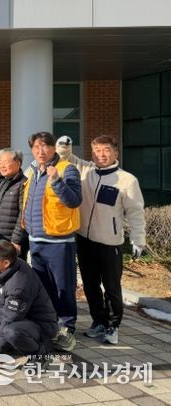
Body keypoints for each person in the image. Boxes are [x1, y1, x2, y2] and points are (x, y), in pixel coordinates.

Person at [57, 135, 146, 345]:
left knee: (112, 287)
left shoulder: (127, 180)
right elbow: (65, 156)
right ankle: (98, 321)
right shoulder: (85, 169)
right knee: (90, 285)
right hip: (85, 240)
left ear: (116, 153)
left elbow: (136, 212)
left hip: (110, 244)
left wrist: (138, 239)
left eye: (106, 150)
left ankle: (113, 326)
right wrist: (64, 143)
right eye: (97, 150)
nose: (101, 155)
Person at [22, 131, 82, 351]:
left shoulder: (67, 169)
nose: (41, 151)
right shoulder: (33, 172)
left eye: (46, 146)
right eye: (36, 147)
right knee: (43, 289)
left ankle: (67, 329)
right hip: (36, 240)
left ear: (53, 148)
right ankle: (49, 327)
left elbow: (74, 200)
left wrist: (56, 180)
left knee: (63, 287)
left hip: (59, 241)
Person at [0, 241, 59, 368]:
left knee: (10, 331)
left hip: (41, 326)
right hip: (22, 317)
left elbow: (9, 319)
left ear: (6, 262)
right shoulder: (13, 265)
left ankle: (40, 353)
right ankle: (9, 343)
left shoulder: (19, 287)